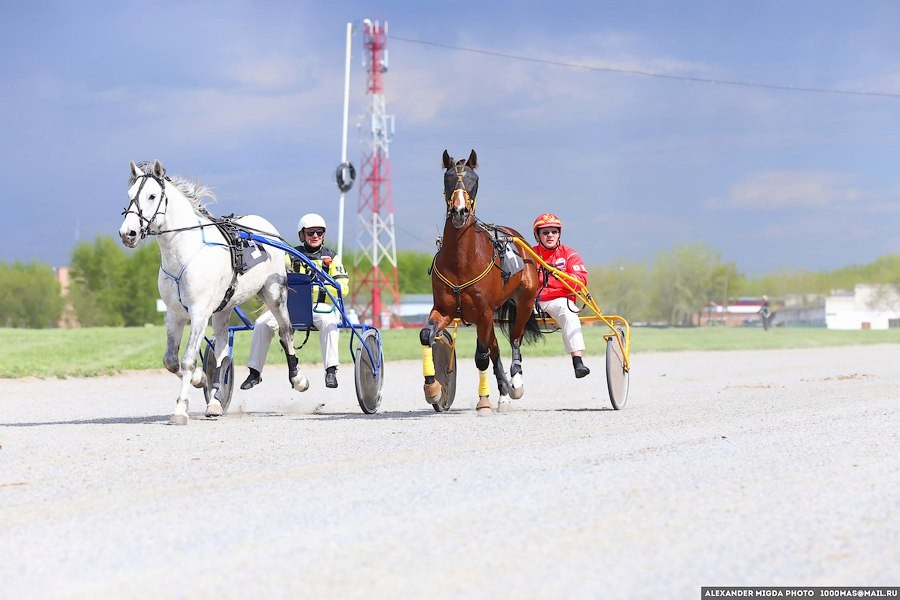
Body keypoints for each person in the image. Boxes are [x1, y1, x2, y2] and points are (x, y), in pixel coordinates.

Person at [241, 213, 349, 390]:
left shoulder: (332, 257)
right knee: (261, 323)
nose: (315, 236)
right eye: (310, 232)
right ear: (302, 235)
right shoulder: (290, 255)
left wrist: (317, 286)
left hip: (319, 308)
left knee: (329, 321)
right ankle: (254, 372)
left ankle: (331, 370)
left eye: (319, 232)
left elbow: (343, 288)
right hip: (290, 308)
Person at [531, 213, 590, 379]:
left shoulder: (569, 254)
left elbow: (581, 281)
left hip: (558, 302)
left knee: (567, 310)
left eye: (554, 232)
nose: (550, 235)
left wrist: (557, 277)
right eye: (545, 232)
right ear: (537, 235)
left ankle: (577, 362)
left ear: (559, 234)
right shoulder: (529, 254)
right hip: (532, 301)